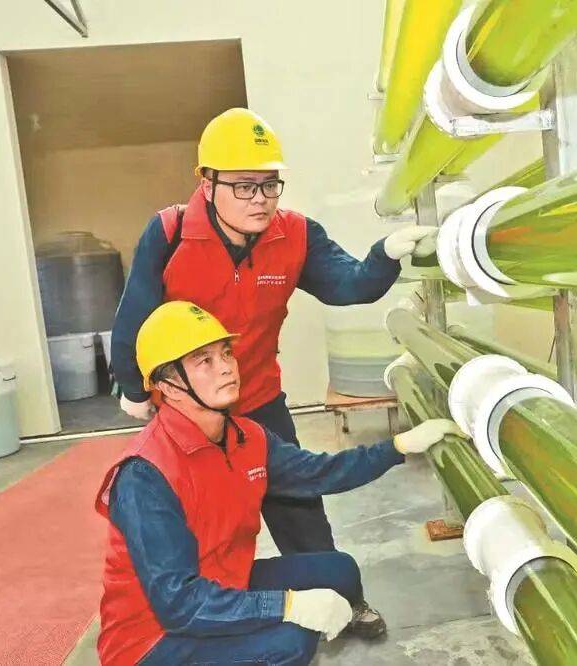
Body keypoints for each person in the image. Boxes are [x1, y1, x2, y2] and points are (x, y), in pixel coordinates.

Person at [110, 108, 436, 635]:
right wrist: (133, 386)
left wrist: (385, 255)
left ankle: (342, 600)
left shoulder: (296, 235)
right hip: (189, 409)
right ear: (208, 183)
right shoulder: (170, 234)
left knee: (297, 500)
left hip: (257, 395)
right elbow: (135, 315)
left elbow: (348, 285)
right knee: (190, 516)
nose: (260, 199)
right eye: (244, 186)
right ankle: (197, 612)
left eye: (269, 185)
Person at [96, 302, 461, 665]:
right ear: (169, 386)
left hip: (225, 581)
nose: (226, 367)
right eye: (204, 361)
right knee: (291, 640)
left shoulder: (246, 438)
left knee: (339, 570)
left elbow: (320, 472)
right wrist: (288, 605)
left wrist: (399, 446)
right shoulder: (146, 474)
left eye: (226, 353)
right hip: (154, 637)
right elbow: (179, 604)